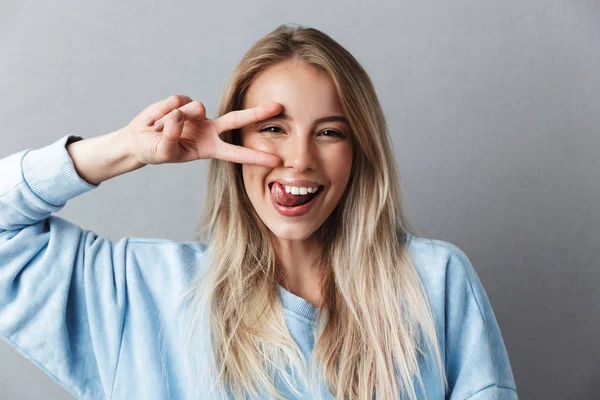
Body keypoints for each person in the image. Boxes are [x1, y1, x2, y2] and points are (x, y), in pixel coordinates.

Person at [0, 24, 518, 399]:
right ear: (233, 141)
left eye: (330, 132)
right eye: (273, 128)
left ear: (360, 150)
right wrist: (126, 149)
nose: (299, 159)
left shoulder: (434, 281)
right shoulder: (142, 292)